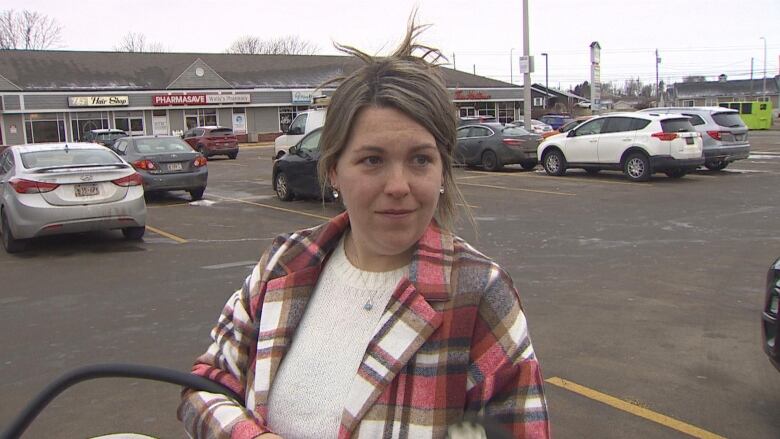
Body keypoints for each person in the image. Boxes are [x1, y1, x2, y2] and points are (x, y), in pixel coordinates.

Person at [178, 18, 550, 439]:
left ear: (443, 170)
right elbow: (205, 386)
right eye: (372, 160)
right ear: (334, 170)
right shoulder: (284, 265)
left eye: (420, 159)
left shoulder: (479, 294)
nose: (398, 186)